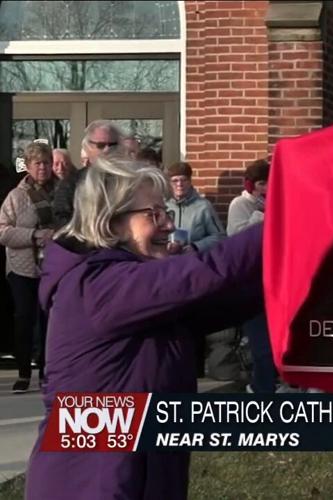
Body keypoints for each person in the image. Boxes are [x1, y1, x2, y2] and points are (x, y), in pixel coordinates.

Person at [25, 155, 263, 500]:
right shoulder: (98, 286)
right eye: (153, 215)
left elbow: (227, 299)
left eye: (165, 211)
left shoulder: (133, 291)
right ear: (111, 223)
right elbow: (209, 270)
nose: (168, 224)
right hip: (91, 484)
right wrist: (291, 225)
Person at [0, 142, 55, 393]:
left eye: (46, 163)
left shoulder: (61, 192)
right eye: (37, 163)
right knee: (24, 319)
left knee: (48, 321)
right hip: (22, 268)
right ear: (29, 166)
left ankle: (47, 371)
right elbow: (4, 232)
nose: (42, 168)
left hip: (53, 267)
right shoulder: (16, 196)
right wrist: (34, 235)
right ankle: (23, 372)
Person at [227, 158, 278, 392]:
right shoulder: (240, 204)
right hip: (251, 279)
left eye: (269, 183)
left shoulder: (276, 203)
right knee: (260, 343)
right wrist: (261, 213)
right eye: (261, 183)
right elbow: (236, 237)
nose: (266, 188)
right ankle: (261, 387)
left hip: (273, 278)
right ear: (250, 185)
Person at [52, 120, 124, 227]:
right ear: (87, 148)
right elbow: (62, 222)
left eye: (113, 145)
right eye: (100, 145)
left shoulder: (133, 181)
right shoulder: (71, 184)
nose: (107, 150)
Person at [164, 161, 225, 252]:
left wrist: (196, 247)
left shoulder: (203, 206)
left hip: (194, 260)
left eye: (183, 180)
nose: (179, 184)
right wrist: (166, 245)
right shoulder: (163, 206)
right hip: (166, 261)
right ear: (169, 183)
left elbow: (220, 236)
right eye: (175, 180)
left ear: (190, 182)